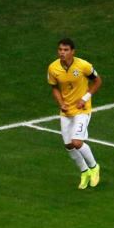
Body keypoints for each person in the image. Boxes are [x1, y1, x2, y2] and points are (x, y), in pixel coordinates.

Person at [47, 37, 102, 190]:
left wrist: (85, 98)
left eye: (65, 50)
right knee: (69, 145)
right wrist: (61, 103)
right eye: (60, 50)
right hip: (66, 111)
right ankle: (84, 172)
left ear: (72, 52)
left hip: (82, 110)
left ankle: (94, 167)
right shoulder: (53, 68)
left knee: (77, 142)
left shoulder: (83, 65)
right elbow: (54, 87)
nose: (62, 53)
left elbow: (98, 81)